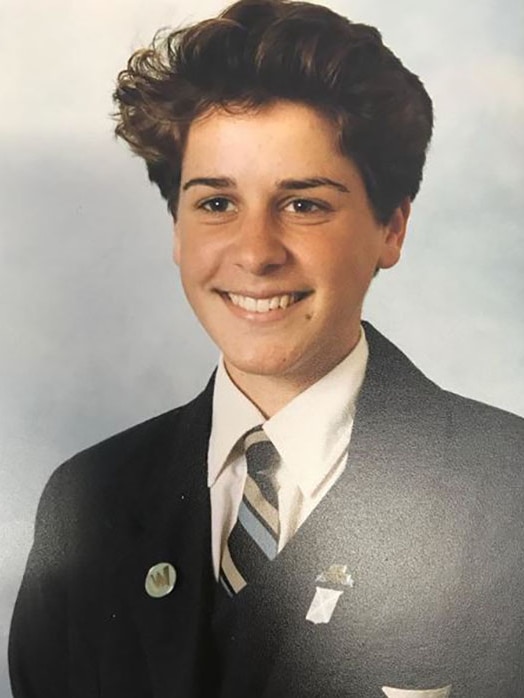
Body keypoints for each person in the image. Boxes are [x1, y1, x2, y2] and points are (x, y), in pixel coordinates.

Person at [8, 0, 524, 696]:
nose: (255, 254)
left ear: (391, 230)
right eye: (216, 203)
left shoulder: (509, 494)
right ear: (177, 229)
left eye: (304, 203)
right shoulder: (89, 499)